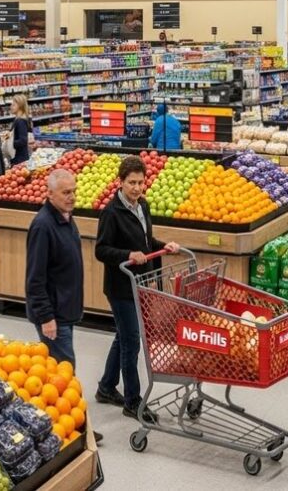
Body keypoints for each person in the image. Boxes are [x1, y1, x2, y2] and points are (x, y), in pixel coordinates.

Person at [94, 156, 180, 423]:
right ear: (121, 183)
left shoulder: (143, 205)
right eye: (131, 183)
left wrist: (164, 245)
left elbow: (146, 239)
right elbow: (101, 250)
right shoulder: (111, 213)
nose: (137, 188)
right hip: (120, 287)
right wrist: (128, 254)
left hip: (139, 283)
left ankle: (106, 387)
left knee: (124, 336)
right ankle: (133, 401)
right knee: (132, 340)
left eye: (141, 182)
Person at [25, 169, 83, 366]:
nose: (72, 197)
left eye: (74, 191)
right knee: (65, 371)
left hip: (65, 309)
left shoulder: (65, 217)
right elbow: (35, 279)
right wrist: (46, 317)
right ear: (50, 194)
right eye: (66, 193)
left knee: (61, 370)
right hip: (54, 315)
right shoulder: (43, 226)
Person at [8, 95, 32, 166]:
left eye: (13, 105)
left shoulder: (20, 121)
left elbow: (23, 140)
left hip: (20, 160)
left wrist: (10, 143)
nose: (11, 107)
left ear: (20, 106)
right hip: (19, 158)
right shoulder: (18, 120)